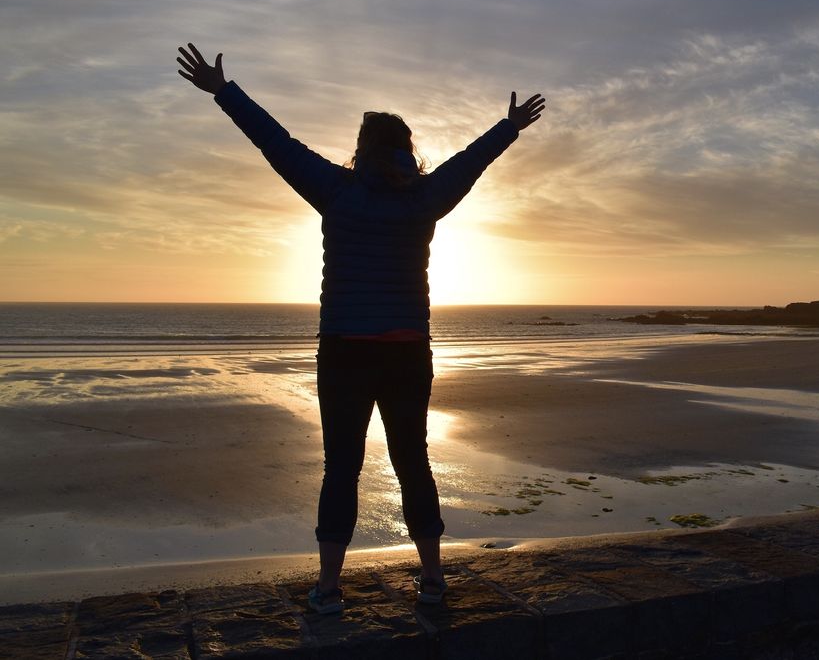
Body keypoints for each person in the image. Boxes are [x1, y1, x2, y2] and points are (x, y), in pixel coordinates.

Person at [175, 43, 544, 613]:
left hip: (345, 350)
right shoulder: (426, 197)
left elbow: (276, 143)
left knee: (341, 466)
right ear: (406, 149)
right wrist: (509, 126)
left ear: (361, 149)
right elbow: (470, 162)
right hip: (406, 352)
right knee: (412, 459)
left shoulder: (336, 189)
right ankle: (433, 578)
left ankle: (327, 588)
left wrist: (225, 92)